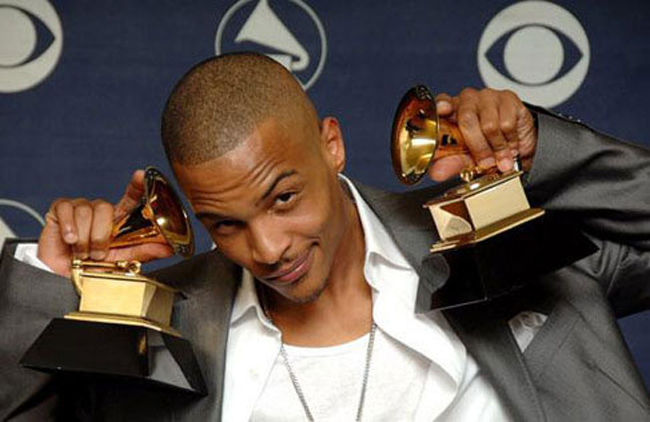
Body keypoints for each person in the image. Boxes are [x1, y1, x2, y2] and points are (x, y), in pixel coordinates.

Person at [1, 52, 649, 421]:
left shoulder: (507, 239)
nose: (268, 248)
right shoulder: (157, 329)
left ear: (331, 145)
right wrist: (46, 283)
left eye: (283, 198)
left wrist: (541, 149)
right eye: (226, 224)